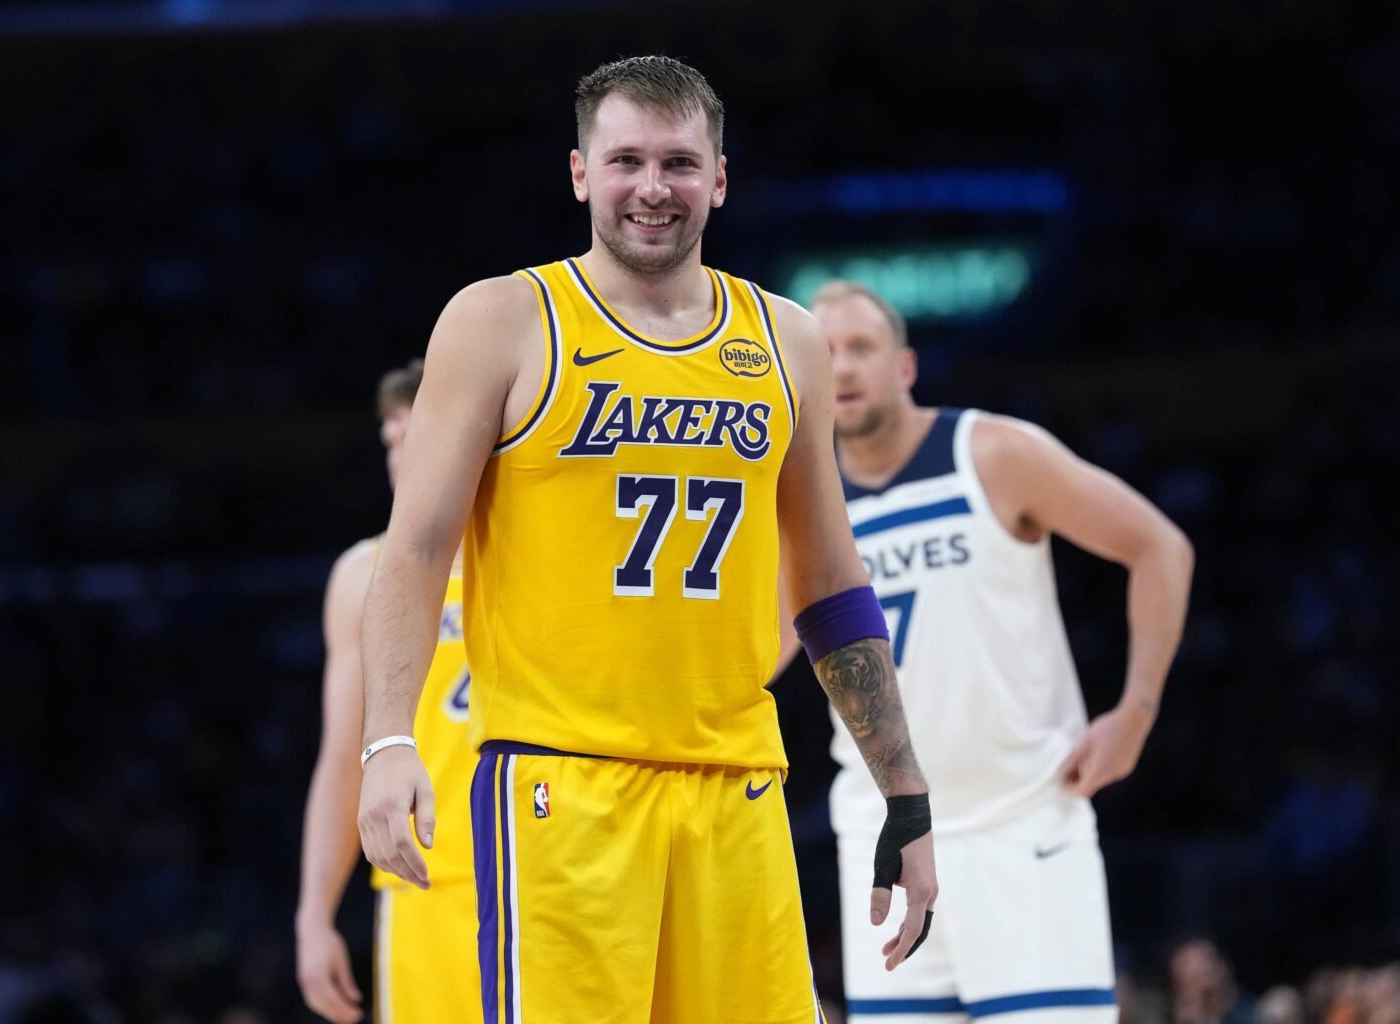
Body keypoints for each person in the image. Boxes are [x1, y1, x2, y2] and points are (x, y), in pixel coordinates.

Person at [355, 56, 938, 1024]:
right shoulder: (501, 319)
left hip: (738, 788)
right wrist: (388, 741)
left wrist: (904, 792)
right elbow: (412, 550)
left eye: (679, 162)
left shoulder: (787, 339)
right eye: (626, 160)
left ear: (720, 178)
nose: (653, 187)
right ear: (580, 172)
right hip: (560, 785)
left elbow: (832, 585)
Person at [805, 280, 1194, 1024]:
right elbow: (760, 651)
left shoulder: (991, 453)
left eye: (861, 347)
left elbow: (1160, 548)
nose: (843, 367)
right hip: (882, 837)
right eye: (825, 354)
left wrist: (1137, 711)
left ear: (905, 366)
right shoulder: (805, 503)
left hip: (1021, 825)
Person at [295, 361, 480, 1024]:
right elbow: (343, 758)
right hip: (427, 884)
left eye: (414, 430)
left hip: (554, 868)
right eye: (390, 439)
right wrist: (314, 914)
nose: (400, 452)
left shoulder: (542, 555)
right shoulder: (362, 574)